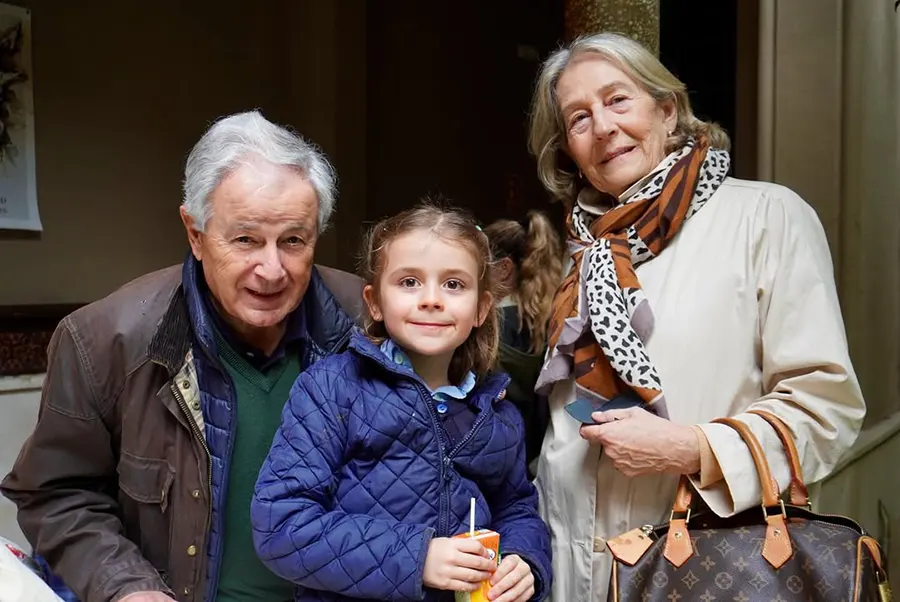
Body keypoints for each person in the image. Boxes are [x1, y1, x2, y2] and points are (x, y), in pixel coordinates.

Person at [526, 32, 866, 599]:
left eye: (618, 100)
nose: (603, 126)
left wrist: (693, 449)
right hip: (571, 572)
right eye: (578, 118)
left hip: (701, 567)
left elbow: (824, 408)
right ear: (568, 150)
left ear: (666, 109)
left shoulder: (765, 217)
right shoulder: (580, 253)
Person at [1, 111, 366, 602]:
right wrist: (127, 589)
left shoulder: (371, 324)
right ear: (195, 234)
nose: (272, 269)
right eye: (246, 240)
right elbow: (56, 495)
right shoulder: (103, 340)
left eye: (294, 241)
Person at [250, 202, 552, 602]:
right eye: (409, 282)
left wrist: (525, 560)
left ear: (481, 308)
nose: (431, 299)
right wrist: (417, 557)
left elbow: (517, 508)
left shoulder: (498, 413)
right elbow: (281, 526)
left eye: (454, 284)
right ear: (374, 303)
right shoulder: (331, 390)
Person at [483, 213, 563, 474]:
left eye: (479, 267)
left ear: (504, 268)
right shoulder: (544, 320)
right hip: (535, 459)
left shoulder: (491, 325)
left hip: (500, 458)